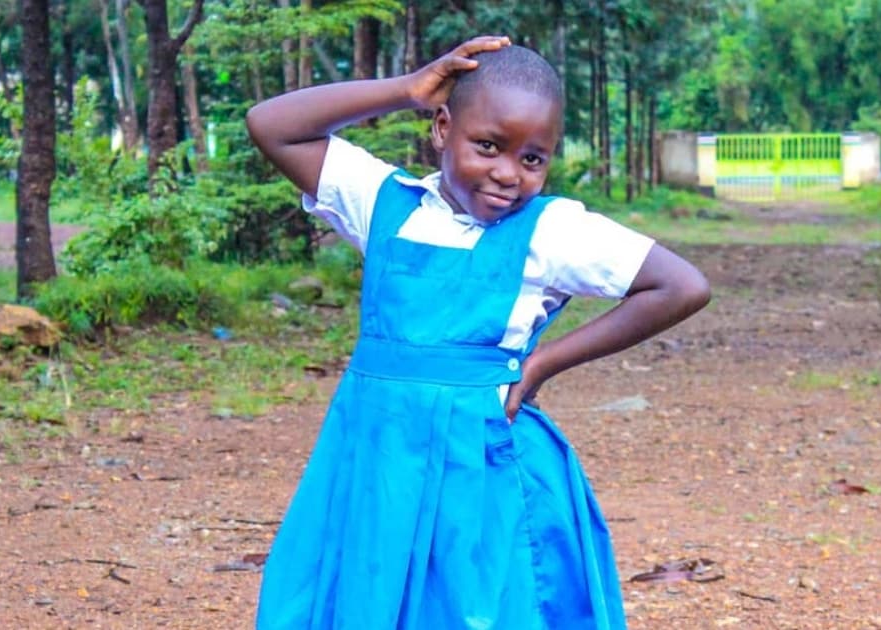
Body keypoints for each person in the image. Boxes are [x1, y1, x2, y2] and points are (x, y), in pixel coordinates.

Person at [245, 35, 710, 629]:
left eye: (533, 159)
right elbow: (272, 125)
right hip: (377, 458)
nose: (508, 173)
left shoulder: (551, 231)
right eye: (487, 146)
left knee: (475, 606)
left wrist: (542, 363)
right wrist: (406, 89)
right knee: (369, 597)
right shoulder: (385, 203)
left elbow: (682, 286)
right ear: (442, 128)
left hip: (481, 467)